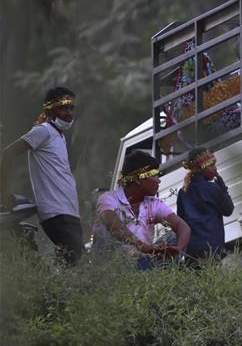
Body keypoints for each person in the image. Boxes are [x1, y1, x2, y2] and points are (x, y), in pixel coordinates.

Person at [0, 87, 83, 266]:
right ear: (50, 109)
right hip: (55, 212)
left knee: (72, 265)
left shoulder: (59, 136)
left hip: (70, 212)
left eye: (71, 108)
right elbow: (8, 153)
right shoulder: (43, 131)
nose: (69, 113)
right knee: (79, 262)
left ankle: (53, 291)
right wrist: (3, 191)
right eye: (63, 108)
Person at [92, 151, 191, 268]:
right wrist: (145, 248)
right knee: (101, 232)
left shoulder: (153, 203)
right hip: (116, 266)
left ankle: (155, 275)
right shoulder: (109, 198)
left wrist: (177, 249)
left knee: (175, 235)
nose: (159, 180)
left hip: (143, 262)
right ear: (138, 179)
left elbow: (183, 227)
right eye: (154, 175)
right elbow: (114, 226)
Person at [176, 147, 234, 260]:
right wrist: (222, 186)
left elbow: (181, 221)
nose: (215, 168)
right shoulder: (212, 189)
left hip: (191, 252)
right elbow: (228, 210)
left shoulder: (183, 192)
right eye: (211, 165)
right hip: (212, 250)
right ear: (200, 168)